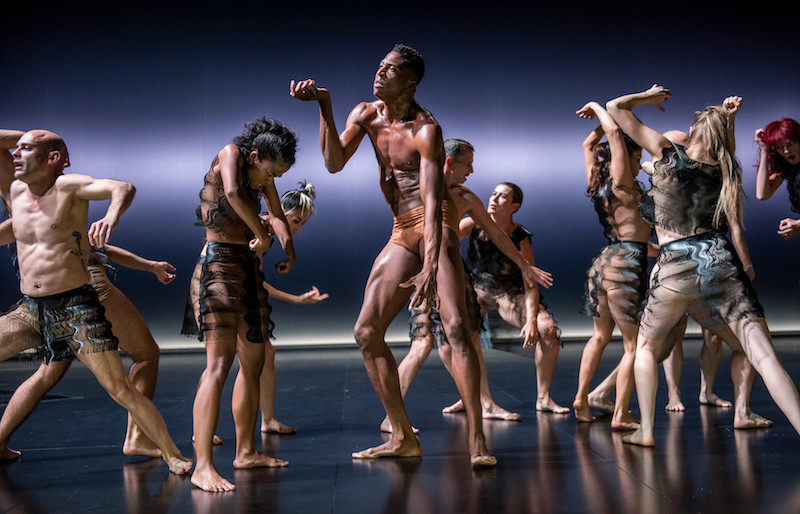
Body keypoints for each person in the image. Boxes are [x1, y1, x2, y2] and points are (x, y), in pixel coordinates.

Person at [290, 44, 495, 467]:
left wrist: (433, 263)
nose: (380, 73)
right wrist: (325, 107)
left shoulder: (426, 130)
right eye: (379, 66)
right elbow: (332, 163)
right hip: (402, 228)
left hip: (433, 223)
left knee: (456, 327)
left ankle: (477, 440)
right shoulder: (365, 113)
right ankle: (402, 436)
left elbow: (435, 200)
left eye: (390, 70)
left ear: (410, 81)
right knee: (366, 332)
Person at [605, 85, 800, 447]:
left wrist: (648, 96)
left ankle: (646, 431)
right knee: (764, 356)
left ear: (692, 132)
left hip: (675, 262)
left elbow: (615, 107)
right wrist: (731, 121)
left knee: (645, 349)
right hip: (718, 261)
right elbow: (726, 153)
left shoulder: (667, 153)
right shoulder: (724, 169)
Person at [0, 129, 192, 474]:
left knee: (120, 388)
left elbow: (122, 188)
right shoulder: (16, 191)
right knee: (46, 375)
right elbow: (22, 230)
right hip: (32, 308)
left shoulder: (71, 187)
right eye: (15, 149)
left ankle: (172, 454)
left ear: (53, 159)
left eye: (25, 148)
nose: (15, 153)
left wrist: (111, 217)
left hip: (75, 307)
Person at [383, 139, 553, 432]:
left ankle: (485, 404)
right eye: (468, 164)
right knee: (422, 345)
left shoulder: (464, 197)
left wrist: (525, 265)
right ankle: (392, 418)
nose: (472, 170)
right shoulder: (419, 190)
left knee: (467, 341)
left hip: (453, 277)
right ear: (450, 163)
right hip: (425, 274)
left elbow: (498, 235)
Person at [190, 117, 297, 492]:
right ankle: (202, 465)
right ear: (255, 156)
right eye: (269, 173)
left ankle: (246, 451)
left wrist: (288, 249)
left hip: (247, 269)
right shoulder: (231, 154)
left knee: (253, 363)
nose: (271, 182)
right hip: (219, 263)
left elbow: (279, 216)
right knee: (218, 365)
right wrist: (260, 235)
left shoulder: (264, 178)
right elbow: (234, 194)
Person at [0, 244, 176, 460]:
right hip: (90, 290)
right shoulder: (56, 213)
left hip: (50, 296)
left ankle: (0, 441)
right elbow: (92, 246)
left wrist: (150, 266)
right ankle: (138, 437)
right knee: (145, 356)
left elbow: (97, 246)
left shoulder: (34, 222)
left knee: (48, 373)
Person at [183, 182, 327, 437]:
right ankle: (199, 431)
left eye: (302, 223)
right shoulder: (257, 229)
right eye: (295, 220)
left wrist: (297, 299)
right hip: (208, 286)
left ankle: (268, 419)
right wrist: (296, 300)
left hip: (234, 287)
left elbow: (252, 281)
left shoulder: (266, 234)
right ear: (279, 213)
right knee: (217, 361)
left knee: (265, 354)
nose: (297, 228)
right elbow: (248, 279)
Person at [442, 180, 568, 416]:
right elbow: (443, 236)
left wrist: (531, 320)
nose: (493, 198)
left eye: (502, 196)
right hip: (477, 291)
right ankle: (469, 395)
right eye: (493, 194)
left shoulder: (520, 237)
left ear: (514, 206)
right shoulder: (474, 223)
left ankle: (543, 397)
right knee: (451, 337)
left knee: (547, 329)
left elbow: (530, 281)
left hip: (508, 294)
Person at [572, 101, 653, 429]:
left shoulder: (599, 185)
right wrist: (596, 106)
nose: (640, 162)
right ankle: (621, 413)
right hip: (626, 265)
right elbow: (614, 133)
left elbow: (589, 144)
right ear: (627, 158)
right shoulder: (624, 184)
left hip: (604, 263)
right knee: (634, 344)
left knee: (599, 336)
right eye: (637, 157)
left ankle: (581, 397)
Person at [754, 118, 800, 238]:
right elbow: (762, 194)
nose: (786, 151)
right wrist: (764, 149)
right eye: (780, 147)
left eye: (790, 143)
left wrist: (798, 224)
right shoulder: (788, 167)